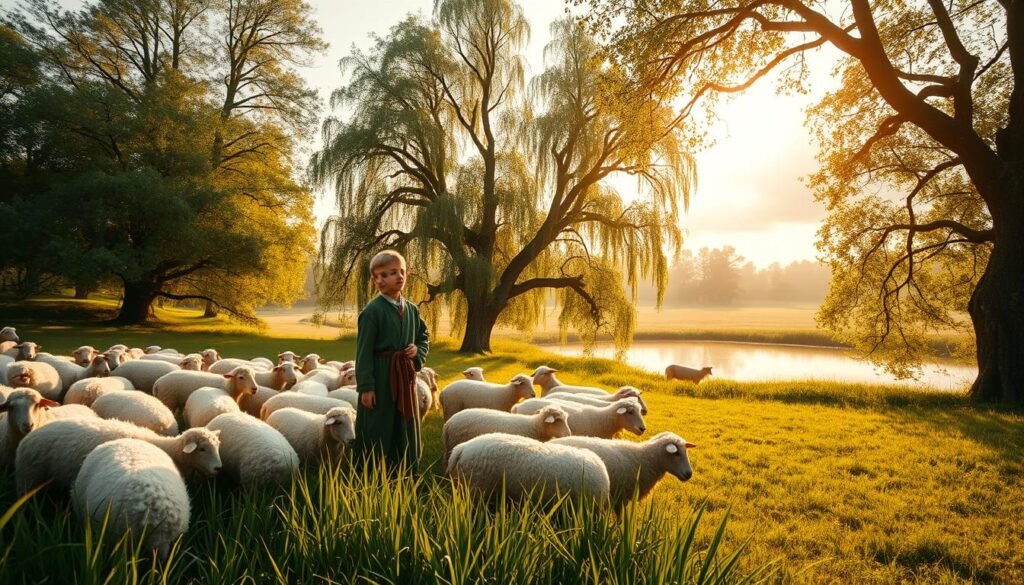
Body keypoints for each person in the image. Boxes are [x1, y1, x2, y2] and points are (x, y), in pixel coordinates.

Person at [353, 249, 429, 473]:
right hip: (381, 374)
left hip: (404, 375)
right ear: (376, 280)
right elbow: (364, 352)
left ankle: (405, 472)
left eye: (399, 272)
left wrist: (417, 350)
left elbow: (424, 336)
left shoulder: (412, 310)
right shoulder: (372, 312)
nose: (396, 277)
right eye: (385, 274)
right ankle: (372, 476)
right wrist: (366, 387)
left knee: (403, 423)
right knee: (379, 423)